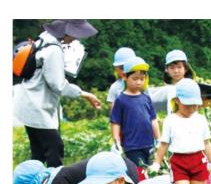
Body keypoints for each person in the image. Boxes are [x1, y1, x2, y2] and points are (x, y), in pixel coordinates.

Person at [13, 20, 101, 167]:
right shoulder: (53, 49)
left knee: (38, 154)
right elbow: (57, 84)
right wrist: (85, 94)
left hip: (28, 102)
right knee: (55, 148)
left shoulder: (43, 39)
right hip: (37, 107)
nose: (75, 38)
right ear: (66, 31)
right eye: (74, 34)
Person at [149, 78, 211, 184]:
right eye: (188, 105)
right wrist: (156, 163)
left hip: (198, 160)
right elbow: (164, 144)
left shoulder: (200, 120)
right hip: (179, 162)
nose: (192, 109)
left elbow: (207, 143)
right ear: (177, 100)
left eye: (195, 105)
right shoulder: (171, 120)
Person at [110, 56, 160, 168]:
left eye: (142, 79)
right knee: (138, 174)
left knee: (150, 173)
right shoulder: (121, 100)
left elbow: (153, 120)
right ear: (124, 77)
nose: (139, 82)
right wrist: (116, 141)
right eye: (135, 79)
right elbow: (115, 122)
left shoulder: (146, 98)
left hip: (149, 145)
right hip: (132, 146)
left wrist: (159, 139)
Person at [148, 49, 195, 115]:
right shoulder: (168, 89)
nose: (176, 71)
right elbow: (150, 97)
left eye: (179, 67)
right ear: (167, 70)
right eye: (172, 68)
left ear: (186, 68)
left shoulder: (192, 87)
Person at [107, 47, 136, 111]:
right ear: (116, 69)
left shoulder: (140, 84)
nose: (124, 71)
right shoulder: (114, 88)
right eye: (121, 68)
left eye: (128, 67)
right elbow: (113, 113)